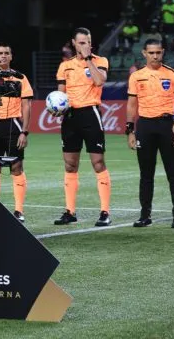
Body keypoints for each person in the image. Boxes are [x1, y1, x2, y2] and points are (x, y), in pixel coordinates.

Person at [126, 39, 174, 228]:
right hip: (144, 126)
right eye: (151, 53)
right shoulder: (136, 76)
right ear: (144, 53)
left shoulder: (173, 75)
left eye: (158, 52)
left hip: (167, 125)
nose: (155, 56)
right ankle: (145, 216)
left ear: (163, 53)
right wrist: (130, 130)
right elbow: (131, 105)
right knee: (146, 174)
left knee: (173, 174)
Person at [55, 27, 112, 227]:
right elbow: (60, 94)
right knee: (70, 164)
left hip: (90, 114)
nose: (84, 45)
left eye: (87, 42)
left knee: (98, 163)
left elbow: (99, 81)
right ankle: (70, 211)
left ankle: (105, 211)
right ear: (73, 43)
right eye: (80, 42)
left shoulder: (100, 61)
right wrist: (56, 108)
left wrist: (88, 59)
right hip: (70, 116)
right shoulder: (65, 66)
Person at [0, 42, 34, 222]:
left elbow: (27, 105)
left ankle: (19, 211)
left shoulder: (20, 78)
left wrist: (24, 132)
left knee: (16, 167)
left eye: (6, 53)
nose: (3, 56)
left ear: (11, 57)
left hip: (13, 125)